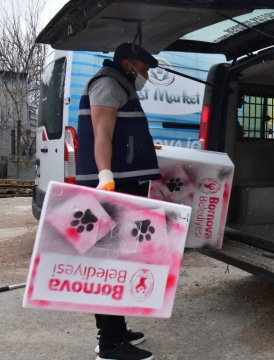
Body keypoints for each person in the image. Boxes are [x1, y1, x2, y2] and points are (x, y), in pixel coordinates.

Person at [75, 43, 162, 360]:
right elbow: (102, 133)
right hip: (115, 185)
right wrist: (106, 175)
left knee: (122, 258)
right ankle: (109, 344)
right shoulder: (109, 83)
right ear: (128, 64)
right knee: (112, 262)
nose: (147, 74)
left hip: (125, 181)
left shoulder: (120, 84)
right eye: (144, 68)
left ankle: (116, 329)